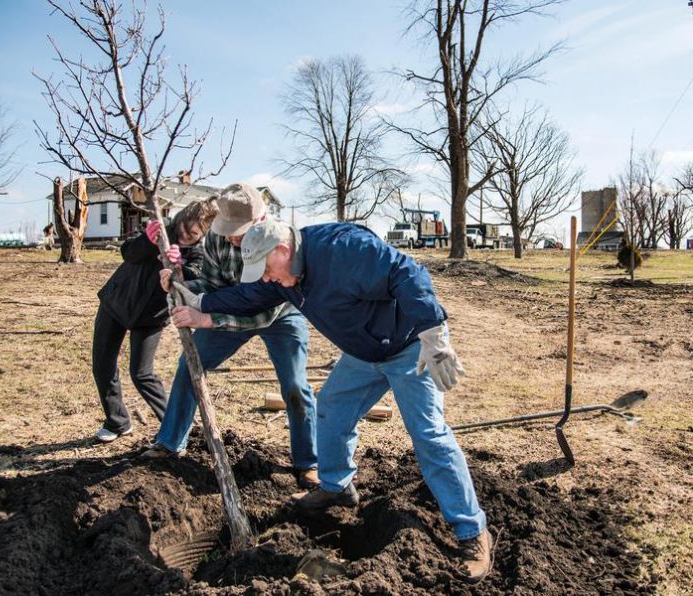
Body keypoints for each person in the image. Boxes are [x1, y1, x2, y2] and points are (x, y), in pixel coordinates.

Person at [168, 219, 493, 584]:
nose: (268, 278)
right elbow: (251, 296)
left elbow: (407, 273)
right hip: (364, 353)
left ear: (284, 250)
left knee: (428, 434)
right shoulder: (284, 276)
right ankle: (337, 486)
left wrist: (432, 332)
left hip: (409, 346)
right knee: (332, 411)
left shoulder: (342, 249)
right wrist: (201, 303)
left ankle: (472, 533)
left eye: (268, 270)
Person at [145, 183, 319, 490]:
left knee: (294, 385)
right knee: (190, 363)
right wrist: (179, 286)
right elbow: (210, 287)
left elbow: (262, 312)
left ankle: (309, 462)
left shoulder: (278, 240)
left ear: (259, 219)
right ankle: (170, 442)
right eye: (228, 230)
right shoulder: (216, 238)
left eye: (238, 232)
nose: (232, 238)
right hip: (226, 311)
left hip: (280, 316)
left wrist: (208, 319)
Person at [91, 198, 218, 442]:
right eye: (183, 228)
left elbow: (193, 280)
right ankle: (117, 422)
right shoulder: (161, 229)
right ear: (180, 219)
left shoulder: (198, 253)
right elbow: (128, 253)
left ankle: (177, 426)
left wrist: (179, 268)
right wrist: (148, 242)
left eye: (193, 234)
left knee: (142, 373)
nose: (184, 235)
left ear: (202, 234)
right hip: (117, 301)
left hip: (151, 316)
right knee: (102, 365)